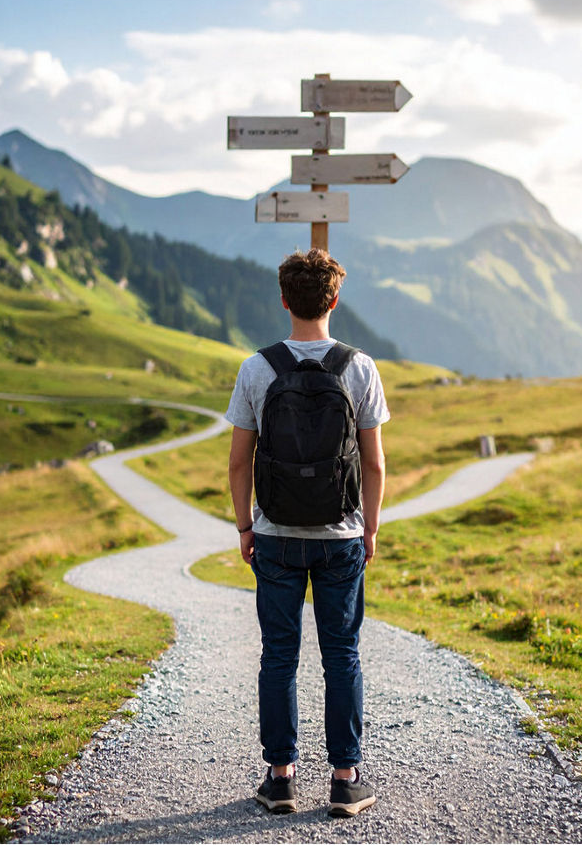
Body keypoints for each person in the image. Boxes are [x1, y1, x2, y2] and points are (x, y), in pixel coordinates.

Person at [225, 247, 389, 817]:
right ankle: (345, 781)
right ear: (335, 299)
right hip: (342, 534)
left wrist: (246, 525)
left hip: (274, 533)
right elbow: (373, 463)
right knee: (341, 654)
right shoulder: (359, 367)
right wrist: (368, 528)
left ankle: (281, 779)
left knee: (279, 654)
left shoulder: (257, 368)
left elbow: (239, 460)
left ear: (283, 299)